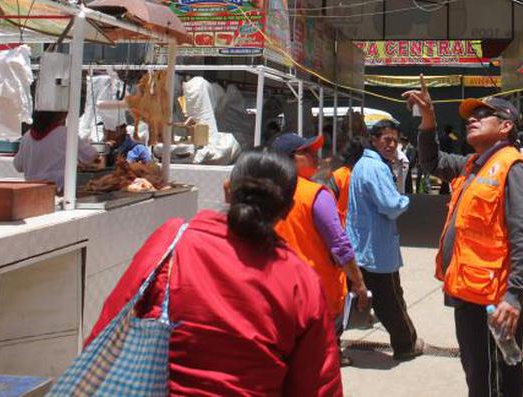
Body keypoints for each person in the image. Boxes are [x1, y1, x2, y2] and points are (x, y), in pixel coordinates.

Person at [87, 150, 342, 396]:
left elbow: (109, 325)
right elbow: (318, 385)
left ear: (227, 189)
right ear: (287, 209)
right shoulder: (302, 281)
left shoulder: (173, 241)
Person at [406, 78, 523, 397]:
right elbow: (431, 162)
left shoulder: (513, 168)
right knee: (476, 376)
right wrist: (428, 119)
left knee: (494, 381)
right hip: (468, 291)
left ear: (506, 125)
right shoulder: (472, 166)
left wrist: (515, 295)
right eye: (471, 115)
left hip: (494, 301)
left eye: (483, 115)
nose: (472, 119)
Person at [271, 132, 370, 364]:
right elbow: (339, 244)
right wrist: (358, 281)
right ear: (288, 158)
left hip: (276, 289)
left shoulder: (265, 191)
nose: (316, 156)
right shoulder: (315, 194)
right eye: (307, 152)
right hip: (315, 292)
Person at [346, 120, 424, 361]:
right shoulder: (376, 168)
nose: (392, 144)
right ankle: (406, 345)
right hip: (376, 248)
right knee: (389, 300)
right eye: (386, 139)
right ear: (374, 140)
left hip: (364, 245)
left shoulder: (364, 165)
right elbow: (391, 205)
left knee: (371, 297)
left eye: (395, 140)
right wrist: (405, 201)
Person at [14, 110, 102, 192]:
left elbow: (18, 166)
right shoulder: (65, 133)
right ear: (59, 116)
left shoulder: (26, 137)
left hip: (31, 189)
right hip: (58, 189)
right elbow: (91, 156)